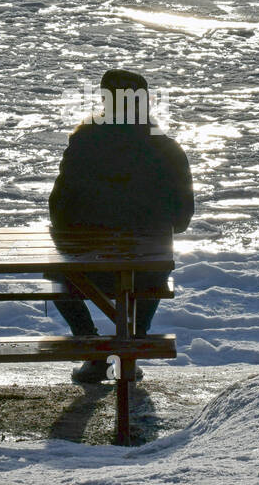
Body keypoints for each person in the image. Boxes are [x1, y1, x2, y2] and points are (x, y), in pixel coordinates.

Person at [49, 68, 193, 382]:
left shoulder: (84, 142)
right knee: (150, 275)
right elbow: (182, 217)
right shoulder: (167, 149)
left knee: (58, 278)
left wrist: (71, 239)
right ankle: (129, 352)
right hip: (146, 269)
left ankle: (92, 350)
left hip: (88, 267)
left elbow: (58, 205)